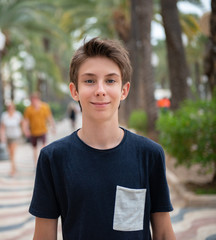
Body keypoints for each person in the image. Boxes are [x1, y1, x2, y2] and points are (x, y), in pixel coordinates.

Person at [29, 37, 175, 239]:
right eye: (89, 80)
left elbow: (164, 233)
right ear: (75, 91)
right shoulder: (53, 158)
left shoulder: (149, 155)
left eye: (110, 80)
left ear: (124, 90)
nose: (100, 90)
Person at [23, 92, 55, 165]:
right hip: (33, 132)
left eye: (34, 99)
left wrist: (53, 127)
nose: (33, 101)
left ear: (37, 99)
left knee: (44, 147)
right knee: (34, 149)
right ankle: (36, 164)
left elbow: (49, 118)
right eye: (31, 100)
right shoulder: (29, 109)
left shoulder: (44, 107)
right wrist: (26, 130)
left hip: (43, 130)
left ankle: (44, 163)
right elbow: (26, 121)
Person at [0, 102, 24, 176]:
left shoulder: (17, 114)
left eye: (11, 107)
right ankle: (14, 166)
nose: (10, 108)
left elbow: (22, 123)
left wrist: (22, 132)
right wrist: (2, 136)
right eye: (9, 107)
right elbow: (2, 127)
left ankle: (12, 169)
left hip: (15, 136)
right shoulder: (4, 115)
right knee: (10, 153)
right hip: (8, 136)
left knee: (12, 152)